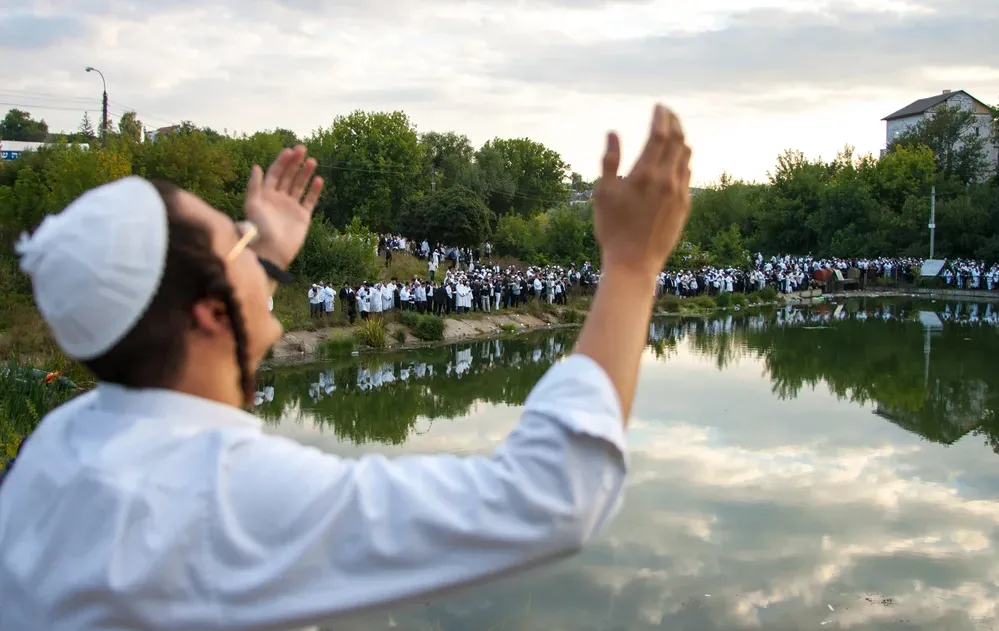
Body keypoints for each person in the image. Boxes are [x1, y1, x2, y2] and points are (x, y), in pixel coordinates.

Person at [0, 105, 692, 630]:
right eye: (237, 238)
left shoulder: (56, 444)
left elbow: (200, 342)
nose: (254, 248)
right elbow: (553, 494)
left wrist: (263, 260)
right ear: (210, 312)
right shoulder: (222, 495)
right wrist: (632, 265)